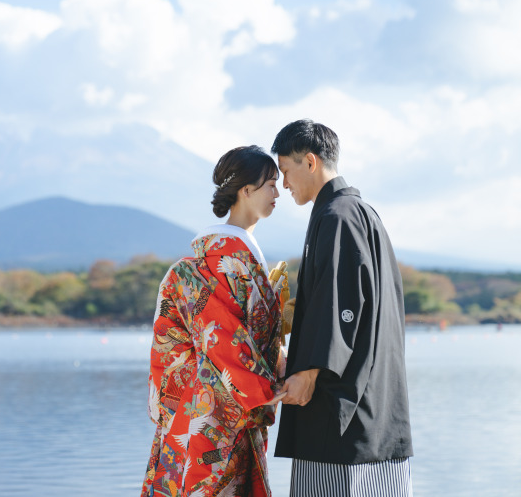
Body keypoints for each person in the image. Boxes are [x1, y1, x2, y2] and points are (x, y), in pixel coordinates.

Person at [271, 119, 413, 496]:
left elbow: (342, 301)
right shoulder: (360, 212)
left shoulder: (337, 216)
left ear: (311, 162)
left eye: (286, 171)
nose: (284, 184)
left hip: (341, 405)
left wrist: (310, 371)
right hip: (375, 397)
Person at [141, 145, 286, 497]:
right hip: (212, 415)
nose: (277, 193)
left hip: (226, 407)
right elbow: (221, 338)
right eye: (270, 184)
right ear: (246, 190)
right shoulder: (220, 260)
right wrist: (272, 388)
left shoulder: (235, 254)